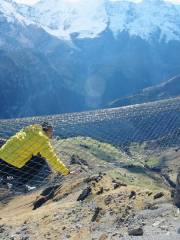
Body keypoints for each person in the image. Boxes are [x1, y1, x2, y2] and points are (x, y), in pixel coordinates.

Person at [0, 122, 70, 188]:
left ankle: (3, 178)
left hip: (1, 158)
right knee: (40, 160)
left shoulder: (30, 129)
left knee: (19, 154)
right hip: (12, 165)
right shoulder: (43, 141)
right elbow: (53, 159)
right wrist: (66, 172)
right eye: (51, 131)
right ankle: (19, 184)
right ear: (48, 131)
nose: (52, 133)